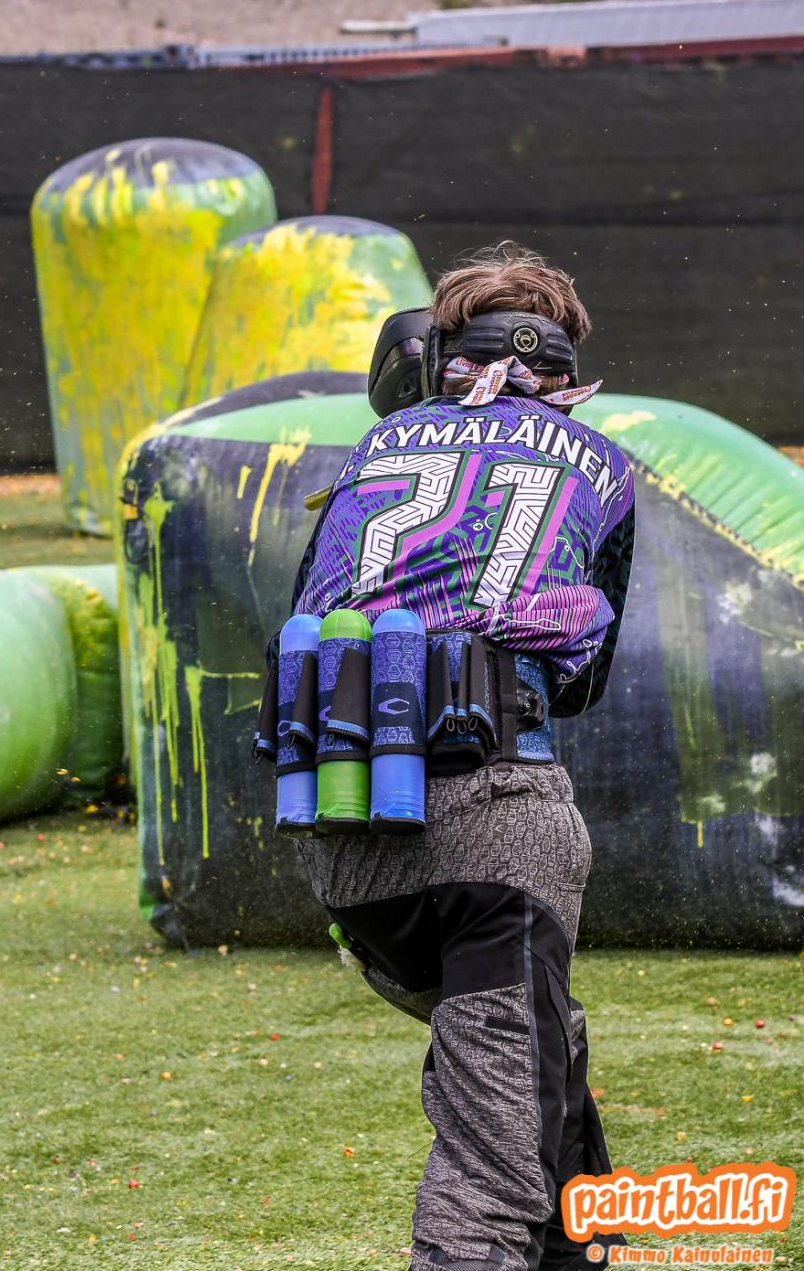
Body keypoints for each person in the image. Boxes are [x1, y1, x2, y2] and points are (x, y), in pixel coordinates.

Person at [285, 243, 635, 1269]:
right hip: (502, 834)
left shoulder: (370, 449)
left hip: (345, 830)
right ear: (564, 372)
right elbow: (583, 676)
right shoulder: (605, 466)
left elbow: (310, 612)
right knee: (492, 1163)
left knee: (541, 1061)